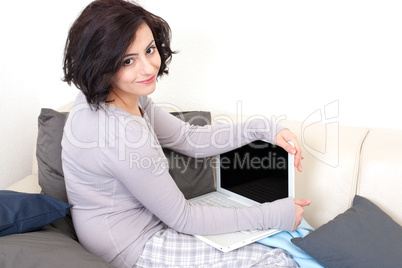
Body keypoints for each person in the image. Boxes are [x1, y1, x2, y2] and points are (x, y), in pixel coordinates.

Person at [61, 0, 311, 267]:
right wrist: (272, 214)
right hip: (132, 246)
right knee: (278, 260)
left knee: (279, 243)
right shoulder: (121, 136)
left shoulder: (121, 95)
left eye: (149, 49)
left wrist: (263, 129)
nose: (147, 68)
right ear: (99, 64)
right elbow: (183, 218)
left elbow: (187, 138)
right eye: (127, 60)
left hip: (147, 224)